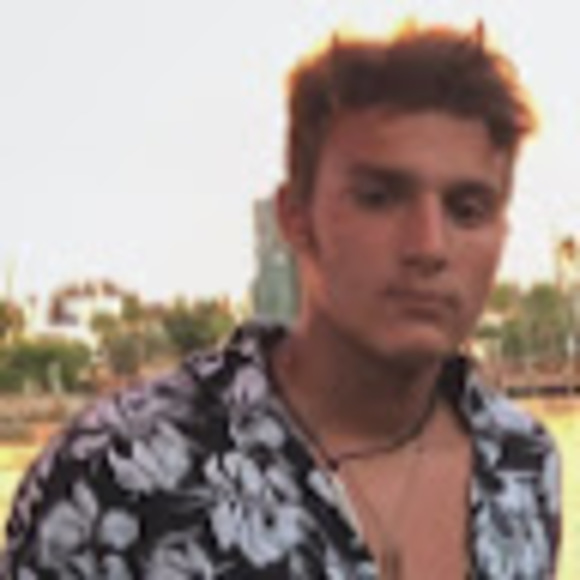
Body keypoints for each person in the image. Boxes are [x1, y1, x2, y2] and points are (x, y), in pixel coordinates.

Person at [1, 22, 560, 579]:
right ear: (295, 216)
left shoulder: (522, 466)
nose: (429, 246)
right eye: (378, 198)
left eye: (467, 210)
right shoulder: (118, 474)